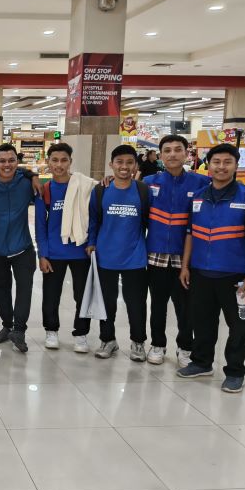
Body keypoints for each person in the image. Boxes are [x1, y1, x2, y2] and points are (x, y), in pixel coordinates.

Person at [178, 143, 245, 393]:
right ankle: (201, 362)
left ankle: (235, 371)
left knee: (239, 326)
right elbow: (190, 234)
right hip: (201, 273)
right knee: (202, 322)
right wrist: (185, 266)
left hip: (236, 277)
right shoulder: (198, 197)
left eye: (227, 162)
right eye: (216, 162)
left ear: (236, 165)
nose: (221, 167)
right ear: (209, 165)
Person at [142, 135, 211, 367]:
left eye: (177, 149)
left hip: (186, 257)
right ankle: (157, 344)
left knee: (186, 307)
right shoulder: (149, 182)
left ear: (186, 153)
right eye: (167, 150)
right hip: (156, 254)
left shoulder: (201, 183)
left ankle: (185, 347)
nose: (172, 154)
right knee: (157, 304)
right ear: (160, 155)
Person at [86, 144, 149, 361]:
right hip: (106, 256)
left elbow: (148, 221)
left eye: (129, 162)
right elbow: (94, 220)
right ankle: (108, 340)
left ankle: (138, 342)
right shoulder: (101, 190)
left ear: (135, 166)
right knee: (107, 303)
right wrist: (91, 243)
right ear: (111, 164)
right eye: (119, 162)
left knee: (136, 304)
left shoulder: (143, 191)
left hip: (135, 257)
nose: (124, 166)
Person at [34, 143, 93, 353]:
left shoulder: (84, 187)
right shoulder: (44, 190)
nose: (59, 165)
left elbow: (94, 218)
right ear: (48, 162)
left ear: (70, 162)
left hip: (81, 252)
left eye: (64, 160)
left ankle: (81, 334)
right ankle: (51, 331)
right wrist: (42, 254)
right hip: (54, 253)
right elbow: (40, 226)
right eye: (55, 160)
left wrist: (92, 244)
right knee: (51, 296)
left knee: (82, 296)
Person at [0, 143, 37, 353]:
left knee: (24, 290)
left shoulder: (27, 184)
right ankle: (7, 326)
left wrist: (32, 175)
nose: (7, 165)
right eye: (2, 161)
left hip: (23, 248)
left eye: (11, 160)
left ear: (17, 162)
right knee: (0, 291)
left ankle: (19, 330)